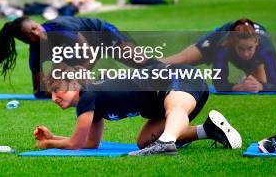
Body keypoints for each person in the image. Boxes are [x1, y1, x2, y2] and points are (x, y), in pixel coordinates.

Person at [33, 63, 243, 156]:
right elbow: (89, 143)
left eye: (57, 90)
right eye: (50, 93)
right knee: (144, 141)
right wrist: (54, 137)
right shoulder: (91, 102)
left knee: (173, 108)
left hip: (181, 79)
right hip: (172, 95)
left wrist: (48, 143)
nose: (54, 98)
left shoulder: (87, 96)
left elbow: (75, 144)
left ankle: (166, 143)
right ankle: (207, 130)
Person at [0, 16, 153, 98]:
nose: (36, 33)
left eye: (35, 27)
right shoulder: (36, 50)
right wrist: (58, 90)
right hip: (83, 52)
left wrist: (77, 76)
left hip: (101, 34)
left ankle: (169, 73)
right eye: (30, 35)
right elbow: (38, 91)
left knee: (141, 62)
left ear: (36, 22)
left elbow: (90, 53)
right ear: (27, 41)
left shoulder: (60, 28)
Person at [163, 18, 276, 92]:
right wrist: (236, 88)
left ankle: (245, 79)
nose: (246, 54)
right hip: (215, 40)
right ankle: (146, 62)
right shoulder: (224, 46)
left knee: (257, 84)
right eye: (241, 48)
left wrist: (261, 86)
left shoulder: (266, 49)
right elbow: (219, 83)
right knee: (177, 60)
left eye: (250, 48)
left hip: (256, 59)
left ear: (256, 43)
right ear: (234, 44)